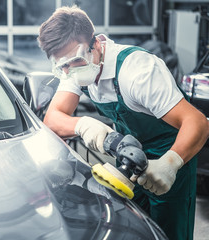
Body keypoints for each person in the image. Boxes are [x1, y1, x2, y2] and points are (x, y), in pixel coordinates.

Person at [37, 5, 209, 240]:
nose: (69, 71)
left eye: (73, 62)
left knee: (169, 231)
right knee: (131, 225)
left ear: (96, 44)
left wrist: (171, 163)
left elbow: (197, 122)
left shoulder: (137, 72)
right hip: (129, 153)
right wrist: (84, 124)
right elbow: (53, 118)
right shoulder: (75, 68)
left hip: (171, 151)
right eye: (62, 66)